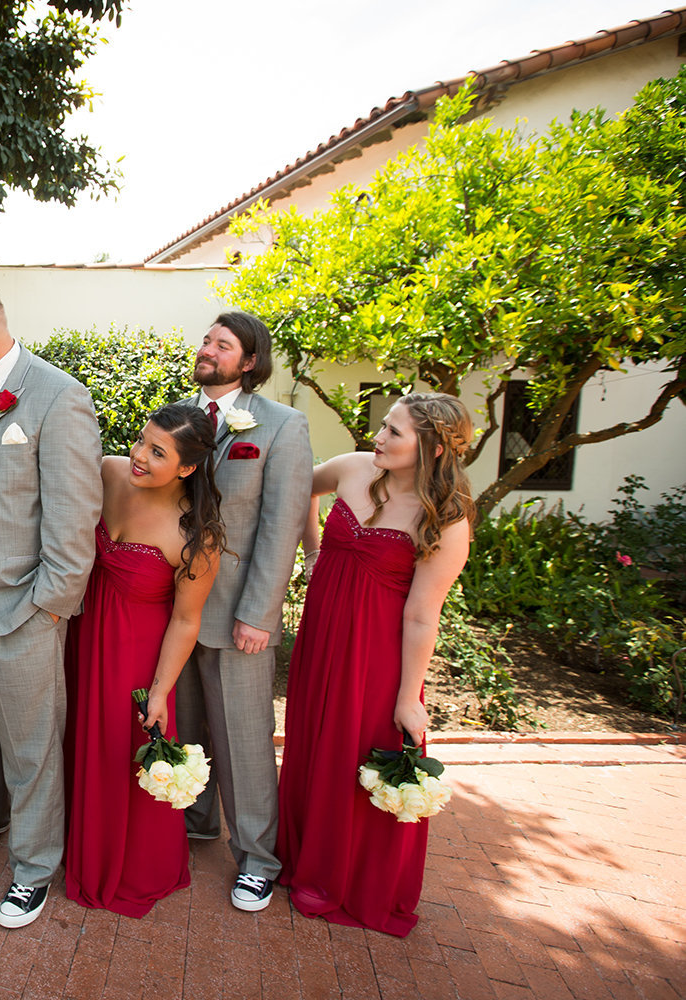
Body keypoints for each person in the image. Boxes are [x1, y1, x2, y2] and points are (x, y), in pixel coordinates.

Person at [277, 392, 475, 937]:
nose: (378, 439)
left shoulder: (448, 520)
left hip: (377, 654)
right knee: (313, 741)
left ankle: (340, 877)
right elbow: (296, 489)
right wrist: (313, 549)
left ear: (433, 449)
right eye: (382, 427)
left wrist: (410, 696)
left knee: (354, 753)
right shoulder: (351, 469)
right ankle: (298, 858)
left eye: (394, 433)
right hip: (323, 634)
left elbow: (420, 616)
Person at [0, 285, 103, 928]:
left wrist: (51, 607)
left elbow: (74, 515)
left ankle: (33, 868)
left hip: (26, 610)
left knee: (33, 747)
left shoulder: (59, 396)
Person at [173, 310, 312, 913]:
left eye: (222, 345)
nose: (207, 349)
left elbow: (281, 527)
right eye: (206, 339)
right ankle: (197, 824)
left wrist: (260, 613)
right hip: (177, 610)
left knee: (245, 740)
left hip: (237, 614)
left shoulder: (283, 427)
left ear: (249, 362)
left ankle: (258, 857)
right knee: (188, 728)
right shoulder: (178, 415)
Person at [64, 403, 224, 917]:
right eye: (141, 441)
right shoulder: (110, 472)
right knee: (72, 739)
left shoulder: (198, 535)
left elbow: (186, 621)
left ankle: (125, 862)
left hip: (133, 657)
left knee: (118, 750)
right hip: (79, 635)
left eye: (158, 452)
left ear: (187, 467)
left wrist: (159, 690)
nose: (138, 456)